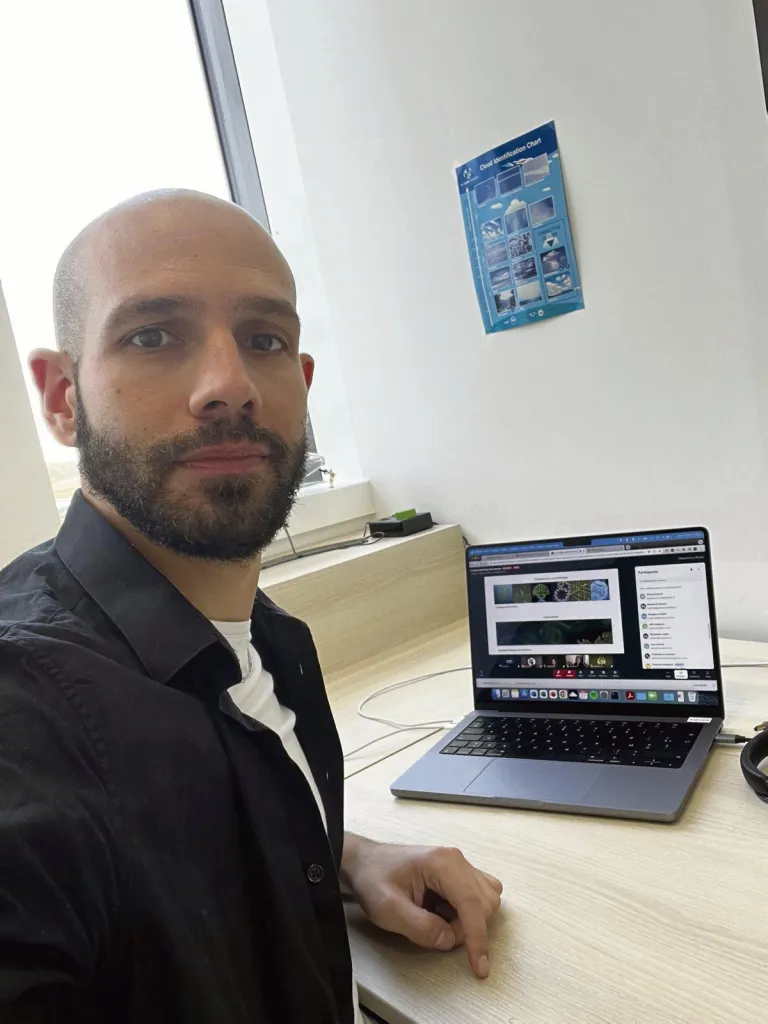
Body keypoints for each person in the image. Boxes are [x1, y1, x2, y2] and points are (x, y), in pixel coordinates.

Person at [0, 190, 502, 1023]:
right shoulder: (27, 714)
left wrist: (347, 859)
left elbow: (171, 844)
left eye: (265, 340)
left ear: (301, 385)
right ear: (62, 396)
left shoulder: (269, 642)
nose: (229, 385)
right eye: (152, 335)